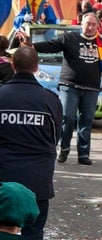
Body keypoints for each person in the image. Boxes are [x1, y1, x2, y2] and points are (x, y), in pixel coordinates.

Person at [16, 12, 102, 165]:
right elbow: (51, 46)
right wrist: (31, 45)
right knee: (68, 117)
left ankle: (83, 154)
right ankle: (63, 148)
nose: (89, 27)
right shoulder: (69, 38)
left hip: (91, 88)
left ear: (97, 26)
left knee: (86, 120)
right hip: (70, 86)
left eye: (93, 24)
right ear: (81, 24)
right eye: (87, 24)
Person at [0, 46, 63, 239]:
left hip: (3, 180)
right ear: (37, 67)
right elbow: (55, 138)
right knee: (33, 232)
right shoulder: (50, 100)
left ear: (13, 65)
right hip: (37, 180)